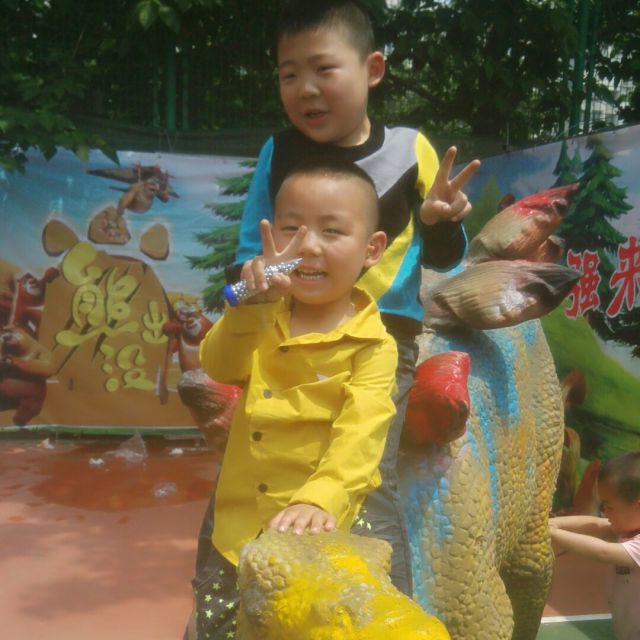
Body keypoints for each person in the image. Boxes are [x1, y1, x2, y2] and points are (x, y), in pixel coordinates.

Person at [225, 0, 480, 596]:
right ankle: (233, 595)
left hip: (381, 335)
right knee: (254, 463)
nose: (305, 89)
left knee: (369, 476)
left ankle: (389, 609)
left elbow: (445, 258)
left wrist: (440, 222)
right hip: (290, 334)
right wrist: (257, 279)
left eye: (323, 69)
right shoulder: (278, 152)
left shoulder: (410, 150)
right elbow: (246, 261)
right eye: (289, 74)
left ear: (373, 69)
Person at [186, 158, 398, 639]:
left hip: (324, 527)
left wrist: (321, 499)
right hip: (238, 527)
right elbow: (219, 365)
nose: (308, 246)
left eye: (332, 231)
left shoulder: (373, 345)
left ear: (372, 249)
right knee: (218, 622)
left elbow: (362, 432)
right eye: (291, 229)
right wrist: (249, 311)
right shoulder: (262, 314)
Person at [549, 451, 640, 640]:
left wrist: (553, 534)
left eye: (609, 506)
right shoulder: (628, 528)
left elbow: (603, 552)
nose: (604, 511)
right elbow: (596, 524)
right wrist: (553, 524)